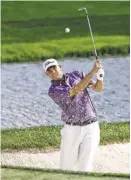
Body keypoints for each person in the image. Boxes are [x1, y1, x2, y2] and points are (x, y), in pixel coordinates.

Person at [43, 58, 104, 172]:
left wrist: (100, 77)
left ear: (60, 66)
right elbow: (77, 89)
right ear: (47, 74)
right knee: (66, 168)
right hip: (72, 130)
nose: (53, 71)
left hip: (91, 127)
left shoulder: (77, 74)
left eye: (54, 67)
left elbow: (97, 88)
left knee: (85, 167)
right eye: (49, 71)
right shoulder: (53, 90)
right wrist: (92, 72)